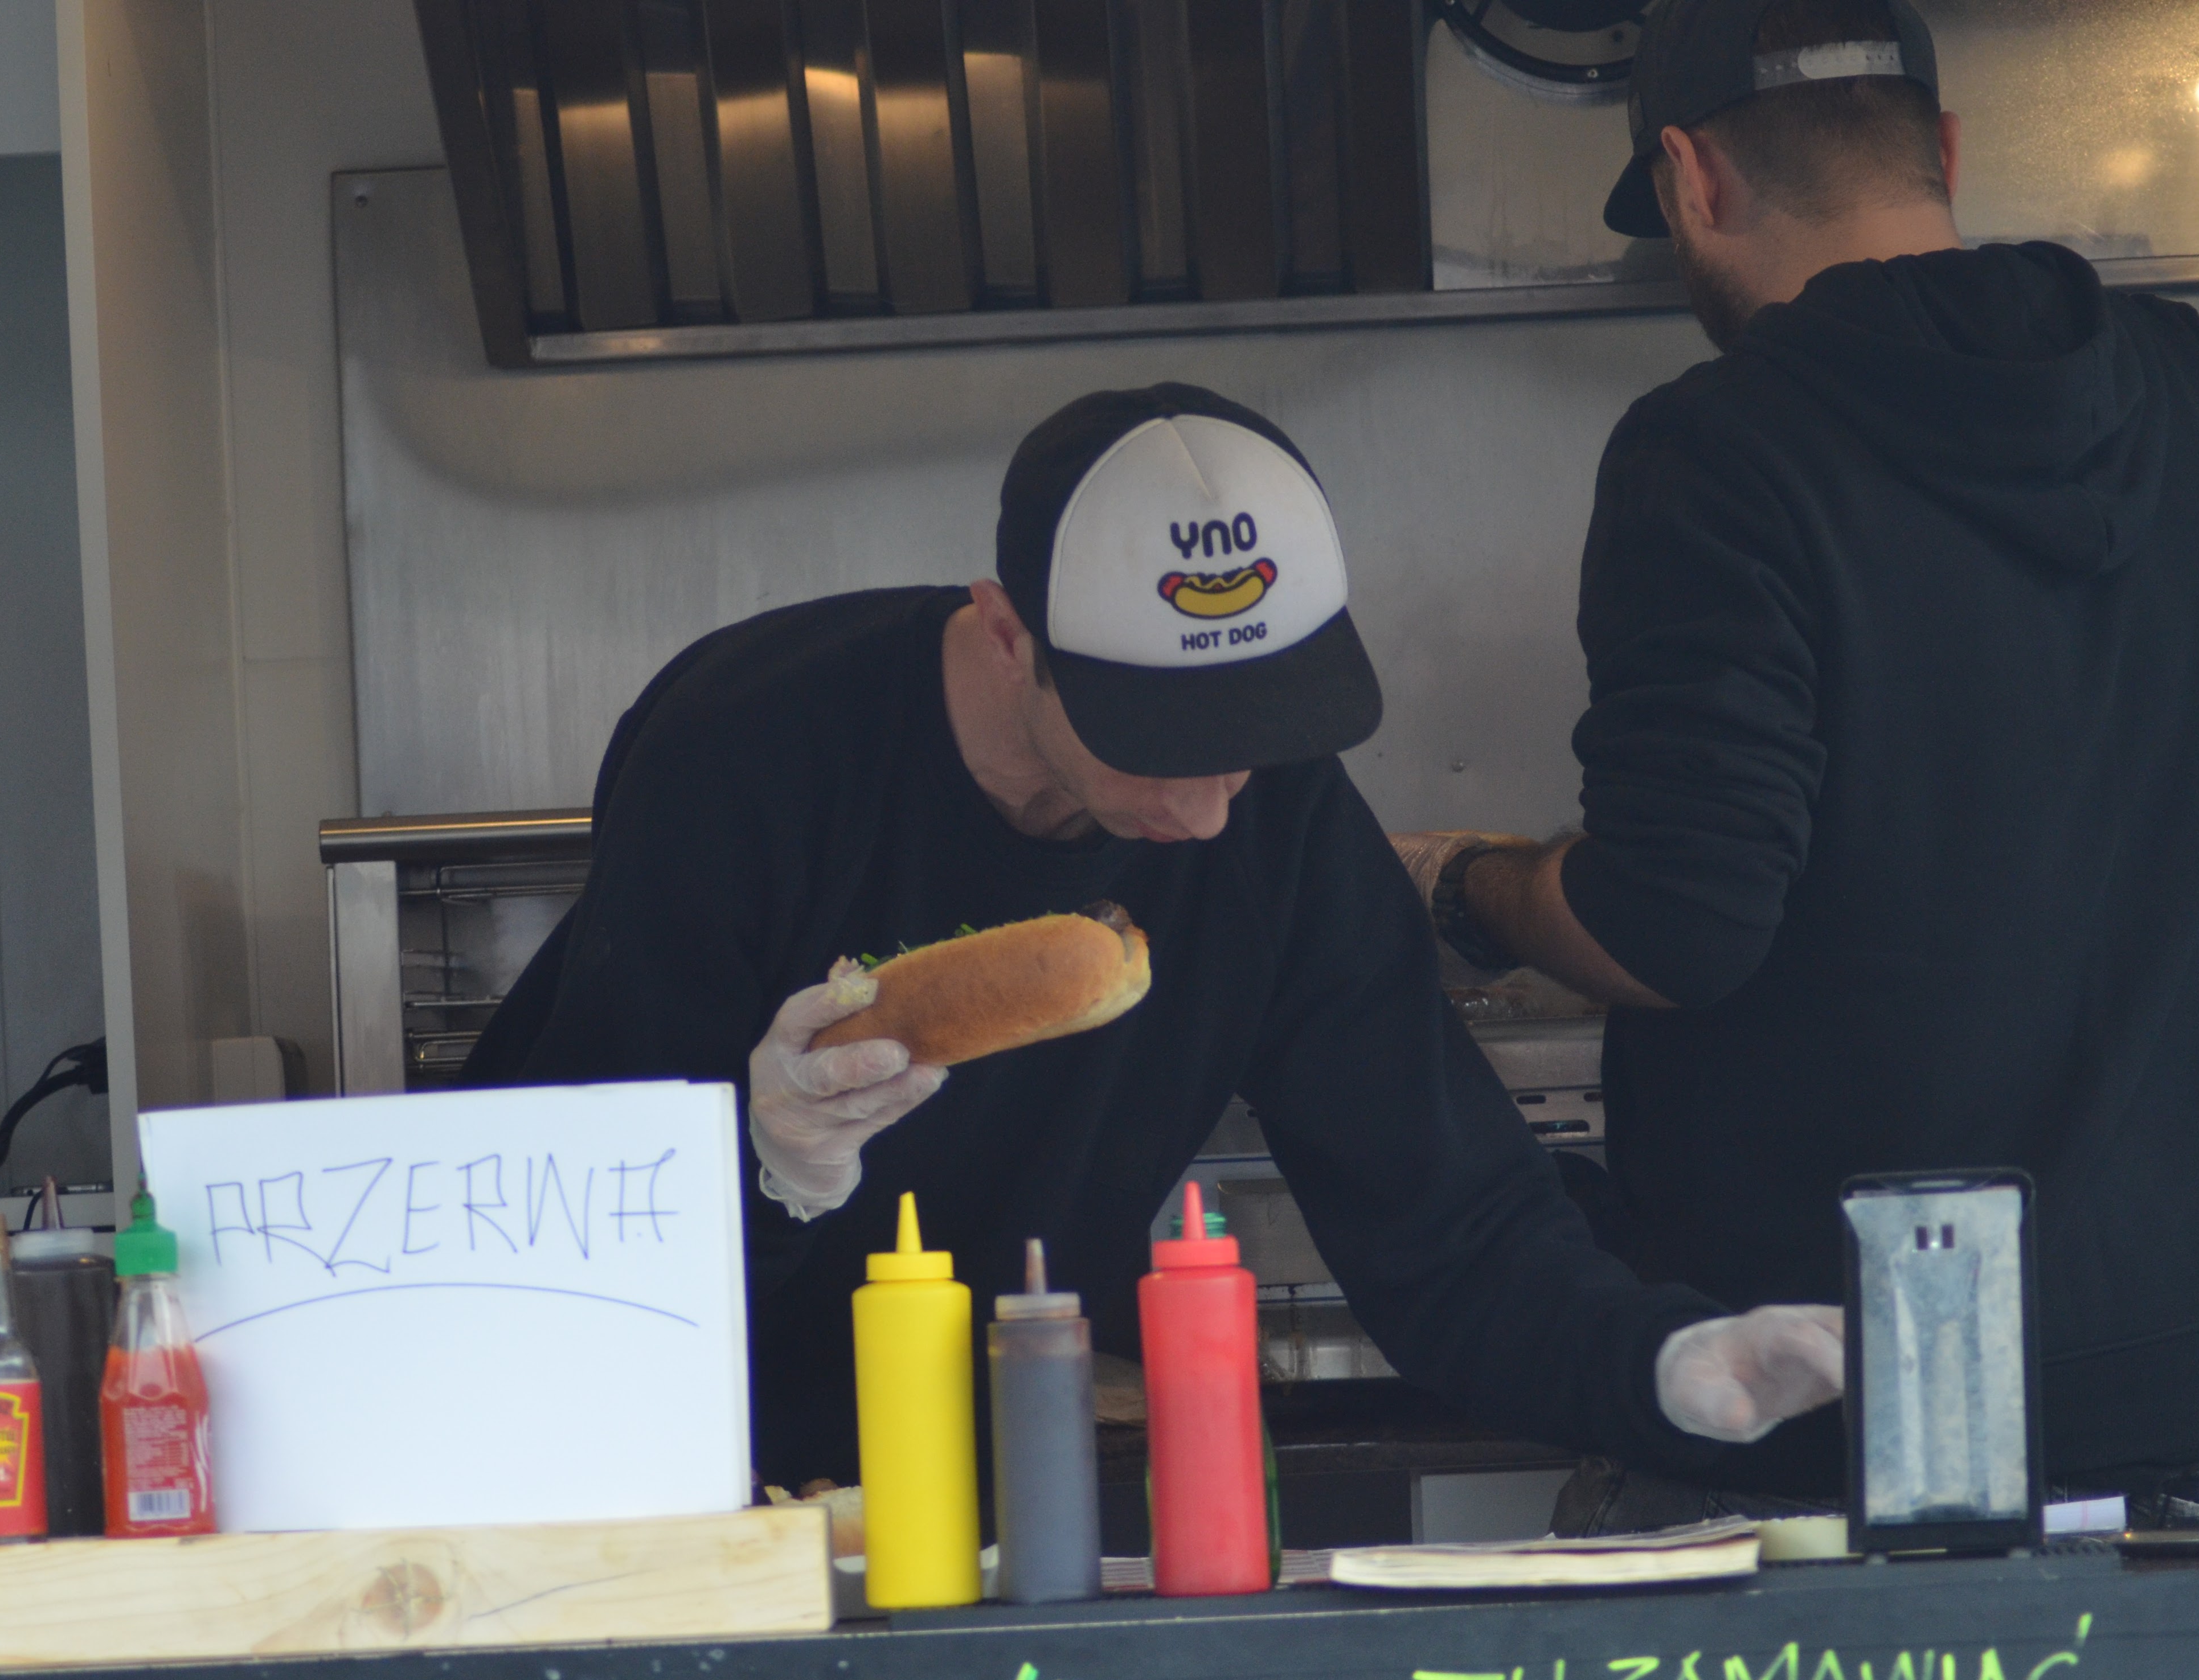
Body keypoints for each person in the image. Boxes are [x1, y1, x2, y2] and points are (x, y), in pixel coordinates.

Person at [465, 382, 1841, 1489]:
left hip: (1004, 1479)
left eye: (1247, 738)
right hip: (671, 1474)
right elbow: (566, 1239)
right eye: (1158, 740)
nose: (1202, 809)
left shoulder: (1278, 818)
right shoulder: (748, 748)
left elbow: (1449, 1223)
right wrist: (762, 1166)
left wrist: (1668, 1368)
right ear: (1006, 635)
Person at [1394, 0, 2199, 1517]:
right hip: (2144, 1394)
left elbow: (1670, 928)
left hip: (1809, 1394)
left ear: (1691, 177)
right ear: (1945, 150)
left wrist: (1467, 885)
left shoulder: (1717, 450)